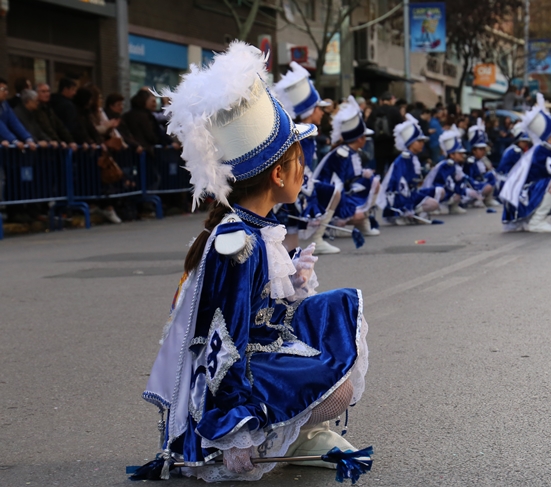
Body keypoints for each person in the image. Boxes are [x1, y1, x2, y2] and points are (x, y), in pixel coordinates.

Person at [142, 42, 369, 482]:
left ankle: (292, 429)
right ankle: (264, 436)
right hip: (237, 374)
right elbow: (220, 343)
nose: (305, 170)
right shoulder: (238, 242)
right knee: (337, 391)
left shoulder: (255, 225)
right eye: (298, 160)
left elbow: (260, 311)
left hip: (258, 347)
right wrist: (235, 428)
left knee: (336, 309)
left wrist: (296, 282)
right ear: (280, 174)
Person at [273, 61, 341, 255]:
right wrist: (307, 191)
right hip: (291, 189)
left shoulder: (307, 132)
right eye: (319, 108)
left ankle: (316, 239)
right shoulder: (298, 133)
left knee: (291, 246)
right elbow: (293, 165)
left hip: (299, 185)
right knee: (286, 245)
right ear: (311, 111)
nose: (322, 112)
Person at [500, 94, 551, 233]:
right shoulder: (541, 151)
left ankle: (534, 219)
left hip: (529, 192)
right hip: (523, 196)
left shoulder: (546, 149)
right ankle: (536, 221)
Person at [313, 96, 381, 236]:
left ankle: (362, 223)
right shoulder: (341, 154)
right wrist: (346, 209)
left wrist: (364, 175)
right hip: (331, 196)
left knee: (373, 180)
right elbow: (338, 182)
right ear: (359, 139)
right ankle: (328, 224)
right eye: (364, 137)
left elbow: (353, 176)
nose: (365, 140)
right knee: (357, 213)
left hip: (346, 191)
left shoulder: (352, 152)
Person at [376, 113, 441, 224]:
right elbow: (399, 186)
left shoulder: (413, 158)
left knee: (437, 195)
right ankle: (404, 214)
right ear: (410, 143)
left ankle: (415, 213)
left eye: (422, 142)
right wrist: (406, 206)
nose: (422, 144)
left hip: (411, 194)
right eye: (419, 141)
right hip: (398, 199)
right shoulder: (403, 160)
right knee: (432, 203)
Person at [420, 127, 469, 215]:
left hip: (447, 191)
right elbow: (440, 183)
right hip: (435, 191)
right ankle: (436, 206)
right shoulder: (444, 165)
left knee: (462, 183)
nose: (463, 155)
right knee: (440, 190)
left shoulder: (456, 165)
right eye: (460, 153)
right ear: (452, 155)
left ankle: (453, 206)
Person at [462, 118, 499, 207]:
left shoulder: (482, 160)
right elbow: (469, 179)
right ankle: (476, 200)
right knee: (486, 185)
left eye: (483, 149)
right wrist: (481, 183)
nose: (483, 151)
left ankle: (488, 199)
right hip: (472, 185)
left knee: (492, 175)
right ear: (474, 150)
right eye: (480, 149)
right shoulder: (470, 161)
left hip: (479, 182)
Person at [366, 91, 403, 176]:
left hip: (378, 145)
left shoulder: (375, 111)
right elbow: (401, 126)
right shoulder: (394, 111)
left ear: (381, 101)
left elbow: (368, 126)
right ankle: (391, 187)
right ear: (390, 100)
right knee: (392, 168)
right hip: (392, 144)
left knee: (379, 168)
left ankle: (379, 186)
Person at [35, 83, 76, 150]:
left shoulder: (49, 109)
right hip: (44, 146)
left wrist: (70, 141)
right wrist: (58, 141)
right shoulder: (35, 110)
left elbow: (60, 126)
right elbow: (45, 128)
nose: (47, 94)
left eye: (48, 91)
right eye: (43, 91)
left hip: (54, 144)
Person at [0, 78, 36, 150]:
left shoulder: (5, 104)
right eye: (3, 89)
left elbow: (14, 122)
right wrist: (14, 141)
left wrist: (28, 138)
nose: (6, 92)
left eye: (7, 89)